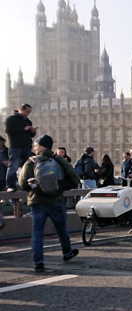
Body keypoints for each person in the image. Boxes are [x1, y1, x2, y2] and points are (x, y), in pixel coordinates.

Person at [18, 135, 80, 272]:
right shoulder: (58, 160)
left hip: (37, 201)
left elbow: (22, 184)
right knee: (62, 229)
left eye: (35, 145)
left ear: (41, 146)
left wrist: (34, 186)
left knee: (37, 233)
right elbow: (74, 179)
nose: (34, 147)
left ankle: (38, 262)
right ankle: (67, 252)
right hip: (56, 201)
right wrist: (58, 187)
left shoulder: (31, 161)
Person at [4, 103, 37, 191]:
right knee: (13, 165)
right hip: (15, 146)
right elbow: (9, 131)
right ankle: (10, 186)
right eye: (27, 111)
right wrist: (24, 129)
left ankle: (27, 184)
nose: (28, 113)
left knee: (28, 166)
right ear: (21, 110)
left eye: (29, 112)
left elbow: (31, 135)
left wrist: (33, 131)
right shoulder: (11, 119)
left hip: (26, 147)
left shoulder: (28, 121)